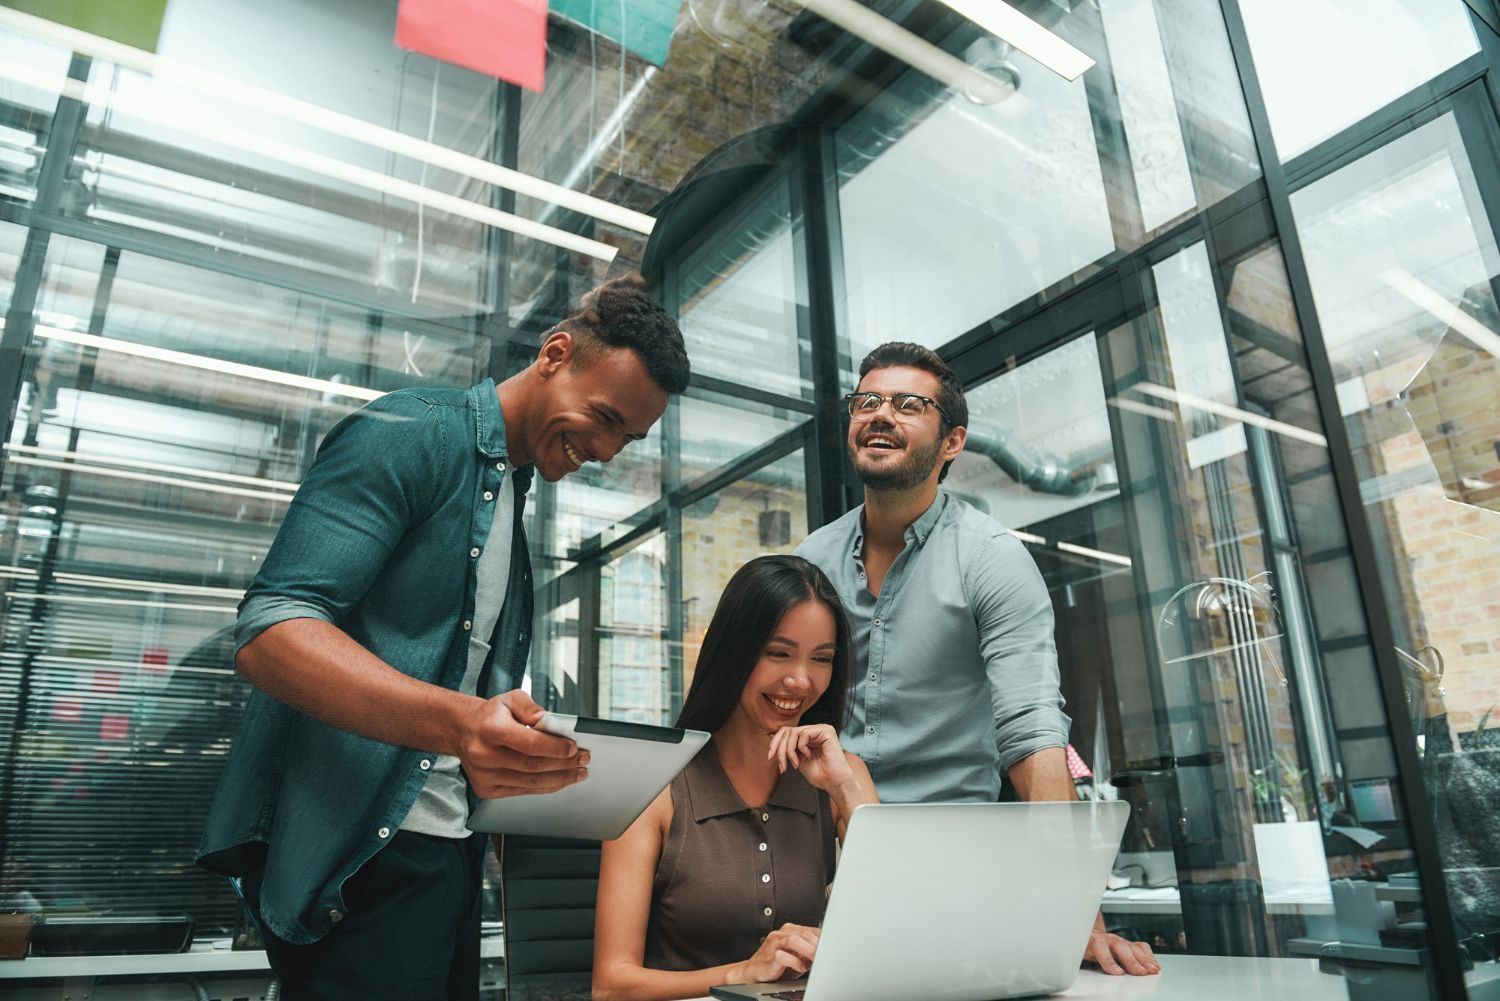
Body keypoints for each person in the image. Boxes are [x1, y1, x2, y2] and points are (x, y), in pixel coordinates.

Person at [197, 273, 690, 1001]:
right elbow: (271, 629)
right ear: (555, 354)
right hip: (361, 860)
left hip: (444, 851)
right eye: (605, 416)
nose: (611, 450)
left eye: (630, 436)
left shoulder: (508, 497)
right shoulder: (413, 434)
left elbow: (453, 688)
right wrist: (465, 725)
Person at [794, 342, 1159, 977]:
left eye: (909, 405)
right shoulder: (812, 559)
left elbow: (1032, 734)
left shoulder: (991, 557)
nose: (881, 414)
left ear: (953, 441)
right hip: (820, 863)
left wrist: (1075, 910)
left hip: (952, 871)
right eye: (869, 401)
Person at [592, 555, 878, 1001]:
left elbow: (898, 924)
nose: (800, 681)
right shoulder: (653, 786)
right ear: (734, 650)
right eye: (777, 653)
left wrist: (844, 787)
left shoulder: (842, 773)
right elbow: (611, 987)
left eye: (821, 659)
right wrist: (743, 972)